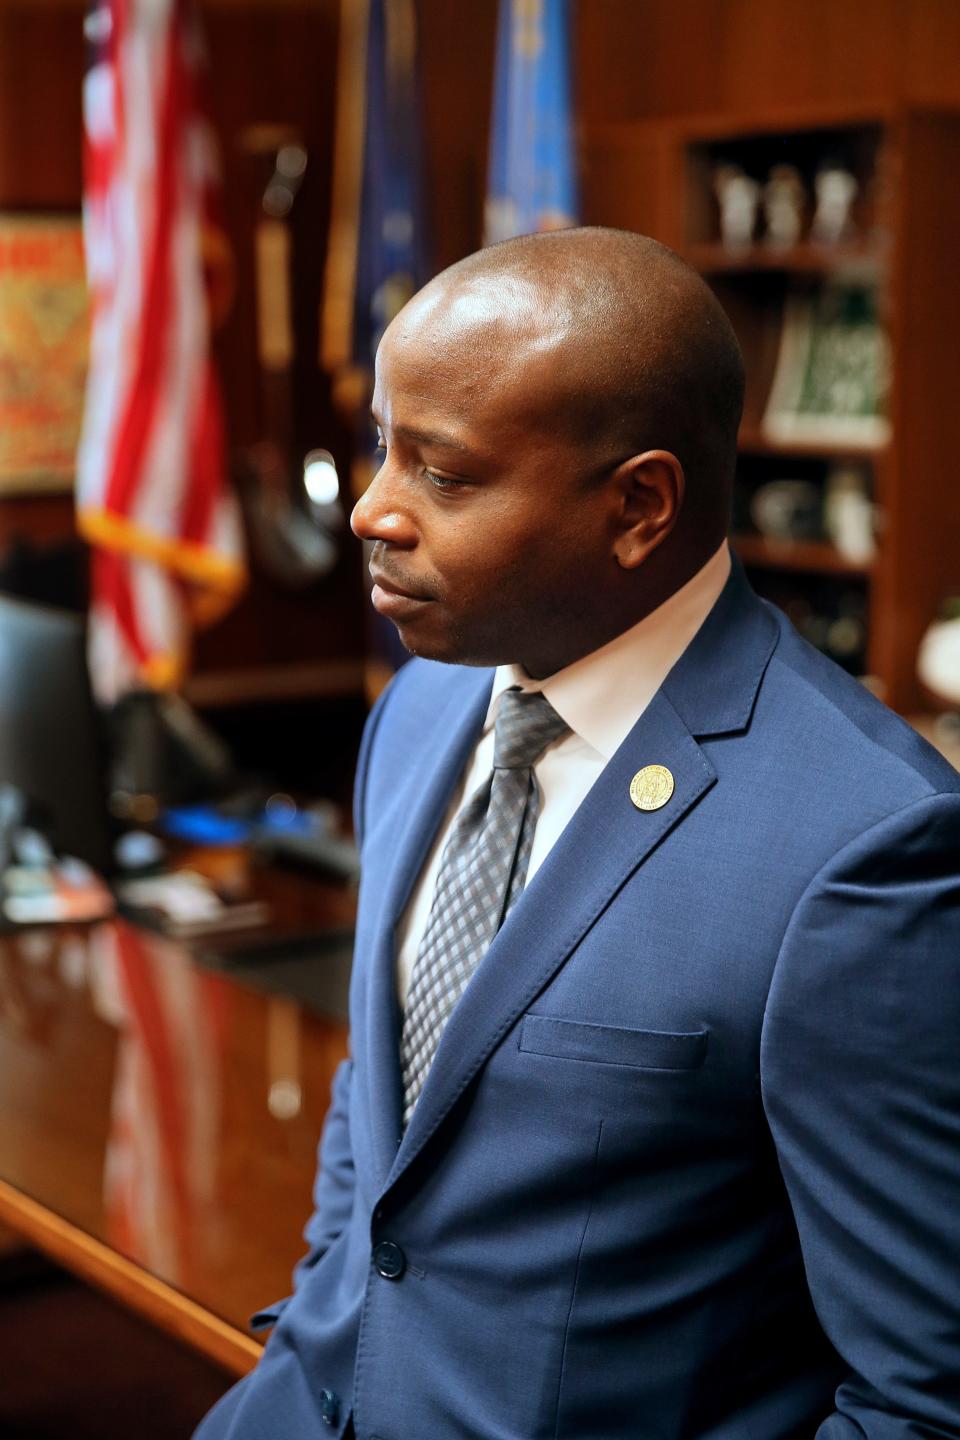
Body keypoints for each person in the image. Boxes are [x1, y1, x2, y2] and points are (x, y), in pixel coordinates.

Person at [196, 229, 960, 1440]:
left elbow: (925, 1400)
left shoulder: (865, 848)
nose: (374, 512)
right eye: (385, 447)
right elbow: (389, 1103)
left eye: (442, 475)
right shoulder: (423, 707)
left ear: (638, 506)